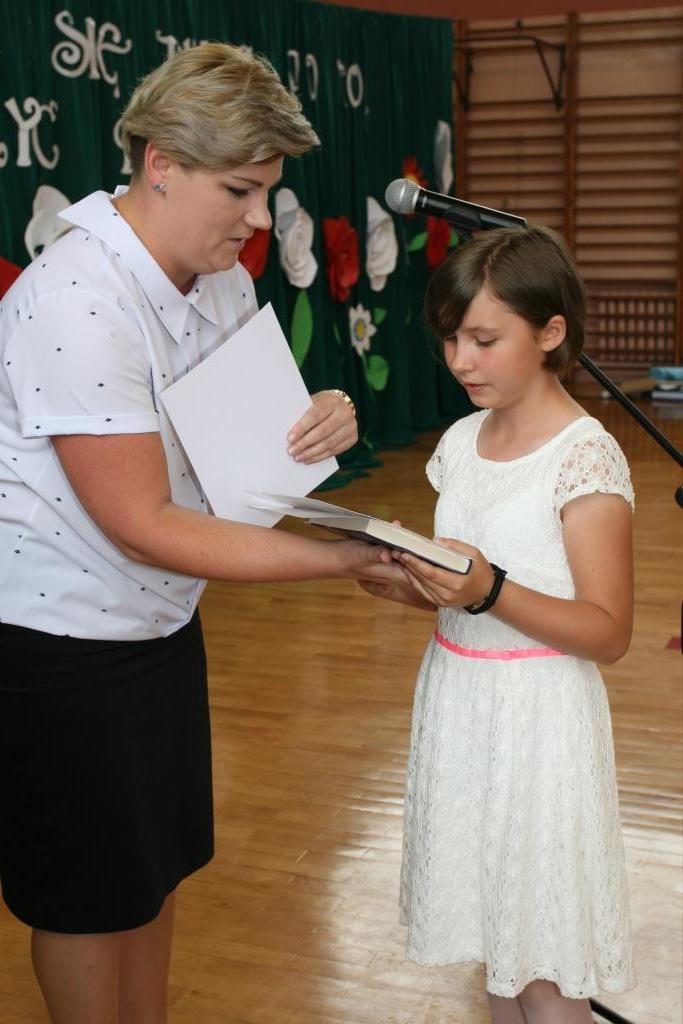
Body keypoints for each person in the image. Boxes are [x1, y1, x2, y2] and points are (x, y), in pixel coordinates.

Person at [0, 43, 392, 1024]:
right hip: (62, 644)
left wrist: (327, 417)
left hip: (158, 625)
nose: (259, 220)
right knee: (88, 895)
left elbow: (254, 460)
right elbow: (142, 525)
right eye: (240, 191)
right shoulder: (76, 298)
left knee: (152, 868)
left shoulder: (217, 277)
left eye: (268, 192)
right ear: (160, 163)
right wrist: (342, 560)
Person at [359, 225, 636, 1023]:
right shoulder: (458, 442)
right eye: (449, 339)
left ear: (550, 333)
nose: (460, 360)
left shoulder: (583, 457)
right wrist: (413, 581)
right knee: (496, 945)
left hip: (538, 722)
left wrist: (486, 590)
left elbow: (607, 632)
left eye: (483, 340)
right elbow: (467, 589)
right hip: (459, 703)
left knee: (542, 972)